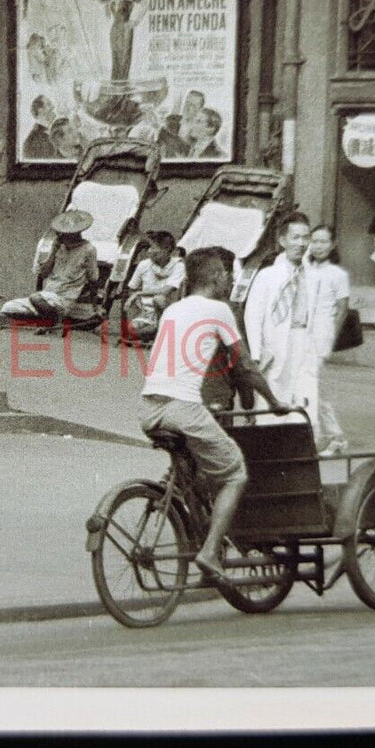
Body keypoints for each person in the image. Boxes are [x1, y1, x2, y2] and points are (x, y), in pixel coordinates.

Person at [140, 248, 286, 585]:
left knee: (192, 474)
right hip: (184, 408)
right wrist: (274, 402)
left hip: (149, 408)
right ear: (217, 275)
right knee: (234, 473)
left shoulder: (173, 310)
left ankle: (198, 536)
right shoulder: (219, 310)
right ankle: (208, 551)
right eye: (228, 274)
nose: (231, 281)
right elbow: (245, 366)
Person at [243, 213, 336, 439]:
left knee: (305, 396)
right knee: (273, 398)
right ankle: (270, 448)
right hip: (275, 344)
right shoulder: (268, 275)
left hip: (305, 342)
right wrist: (256, 352)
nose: (301, 243)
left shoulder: (315, 275)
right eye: (295, 237)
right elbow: (252, 315)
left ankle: (300, 448)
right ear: (283, 241)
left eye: (305, 238)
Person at [0, 210, 99, 324]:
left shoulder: (88, 249)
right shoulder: (58, 247)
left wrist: (95, 306)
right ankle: (44, 317)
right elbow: (43, 274)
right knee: (8, 307)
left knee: (36, 298)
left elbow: (93, 279)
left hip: (64, 299)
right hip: (46, 296)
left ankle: (51, 317)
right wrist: (53, 250)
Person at [307, 224, 351, 454]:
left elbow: (342, 308)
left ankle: (329, 437)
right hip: (302, 333)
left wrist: (331, 336)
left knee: (314, 385)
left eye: (323, 241)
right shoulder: (304, 268)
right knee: (312, 386)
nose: (317, 246)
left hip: (322, 332)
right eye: (314, 241)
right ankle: (328, 436)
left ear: (332, 245)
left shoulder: (338, 275)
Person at [123, 231, 184, 341]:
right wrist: (136, 304)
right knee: (131, 329)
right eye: (149, 248)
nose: (150, 251)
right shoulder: (144, 265)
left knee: (158, 299)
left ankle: (160, 329)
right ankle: (155, 331)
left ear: (165, 250)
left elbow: (166, 291)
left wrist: (139, 293)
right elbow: (132, 288)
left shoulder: (178, 266)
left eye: (153, 248)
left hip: (167, 311)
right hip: (147, 313)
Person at [22, 96, 56, 161]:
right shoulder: (34, 139)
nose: (53, 107)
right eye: (49, 104)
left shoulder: (48, 133)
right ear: (41, 110)